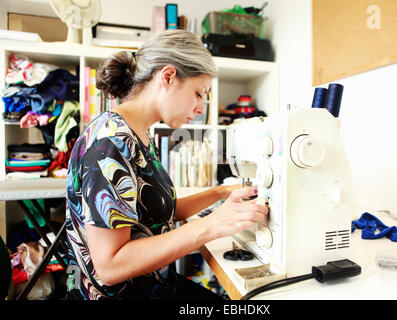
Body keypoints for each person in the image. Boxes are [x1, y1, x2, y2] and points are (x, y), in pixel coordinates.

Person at [65, 30, 268, 300]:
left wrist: (221, 192)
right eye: (199, 93)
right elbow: (111, 266)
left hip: (154, 283)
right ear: (169, 77)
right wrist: (211, 226)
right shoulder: (109, 144)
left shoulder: (138, 134)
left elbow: (157, 212)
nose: (200, 107)